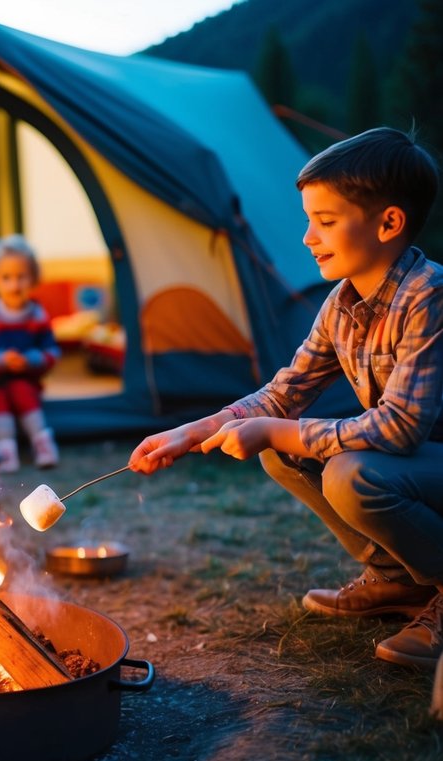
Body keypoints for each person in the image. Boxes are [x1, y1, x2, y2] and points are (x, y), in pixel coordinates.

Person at [128, 127, 443, 672]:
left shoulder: (428, 297)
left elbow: (401, 428)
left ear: (389, 223)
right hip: (416, 472)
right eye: (308, 221)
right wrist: (189, 433)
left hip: (429, 462)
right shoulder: (341, 303)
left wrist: (277, 429)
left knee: (347, 473)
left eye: (325, 222)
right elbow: (283, 394)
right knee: (284, 450)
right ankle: (397, 580)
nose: (306, 238)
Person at [0, 234, 61, 471]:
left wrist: (31, 360)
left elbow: (52, 352)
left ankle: (43, 444)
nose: (14, 285)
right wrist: (0, 361)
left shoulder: (37, 315)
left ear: (33, 278)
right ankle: (5, 451)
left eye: (21, 277)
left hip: (25, 381)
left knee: (20, 390)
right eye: (6, 278)